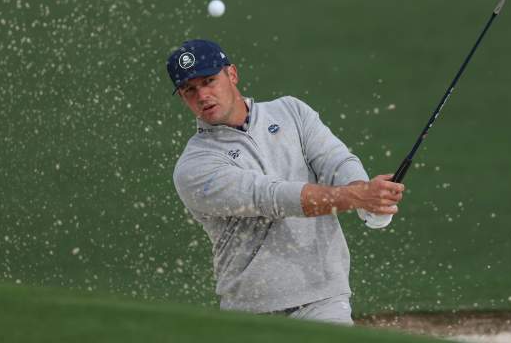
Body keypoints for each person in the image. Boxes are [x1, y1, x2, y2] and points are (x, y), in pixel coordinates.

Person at [167, 39, 404, 325]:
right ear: (182, 97)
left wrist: (366, 196)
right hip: (253, 311)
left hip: (325, 297)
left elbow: (336, 161)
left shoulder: (291, 111)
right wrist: (357, 197)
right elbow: (271, 198)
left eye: (209, 81)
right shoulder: (194, 167)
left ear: (232, 75)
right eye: (190, 90)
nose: (203, 95)